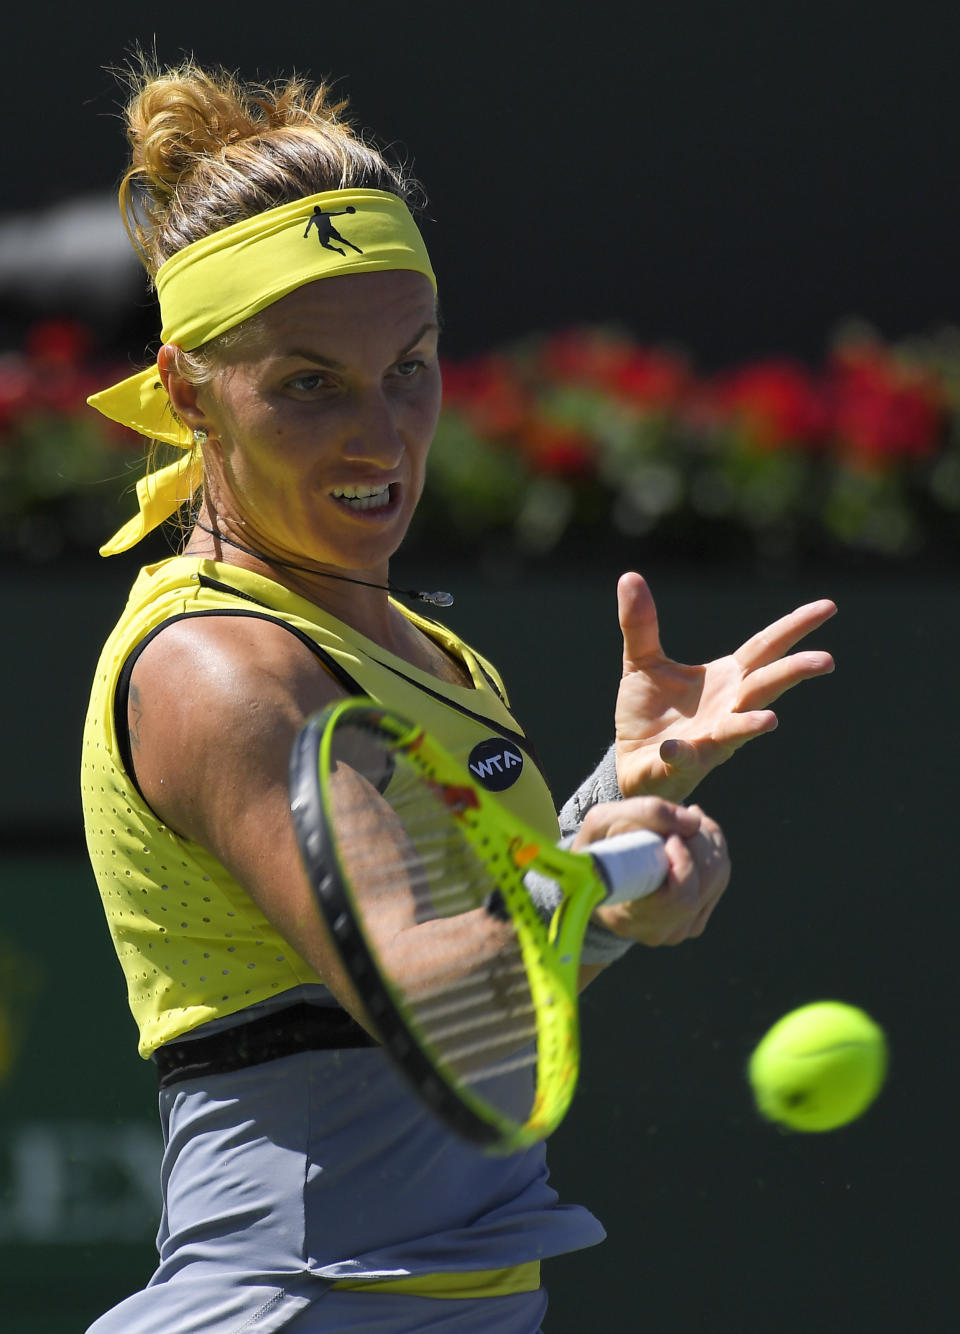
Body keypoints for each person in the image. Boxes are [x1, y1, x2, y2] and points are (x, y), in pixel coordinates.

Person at [80, 60, 836, 1334]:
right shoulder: (216, 668)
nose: (382, 432)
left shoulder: (428, 654)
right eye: (310, 380)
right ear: (192, 382)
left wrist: (626, 790)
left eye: (411, 367)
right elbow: (429, 992)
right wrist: (611, 874)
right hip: (294, 1307)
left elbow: (499, 954)